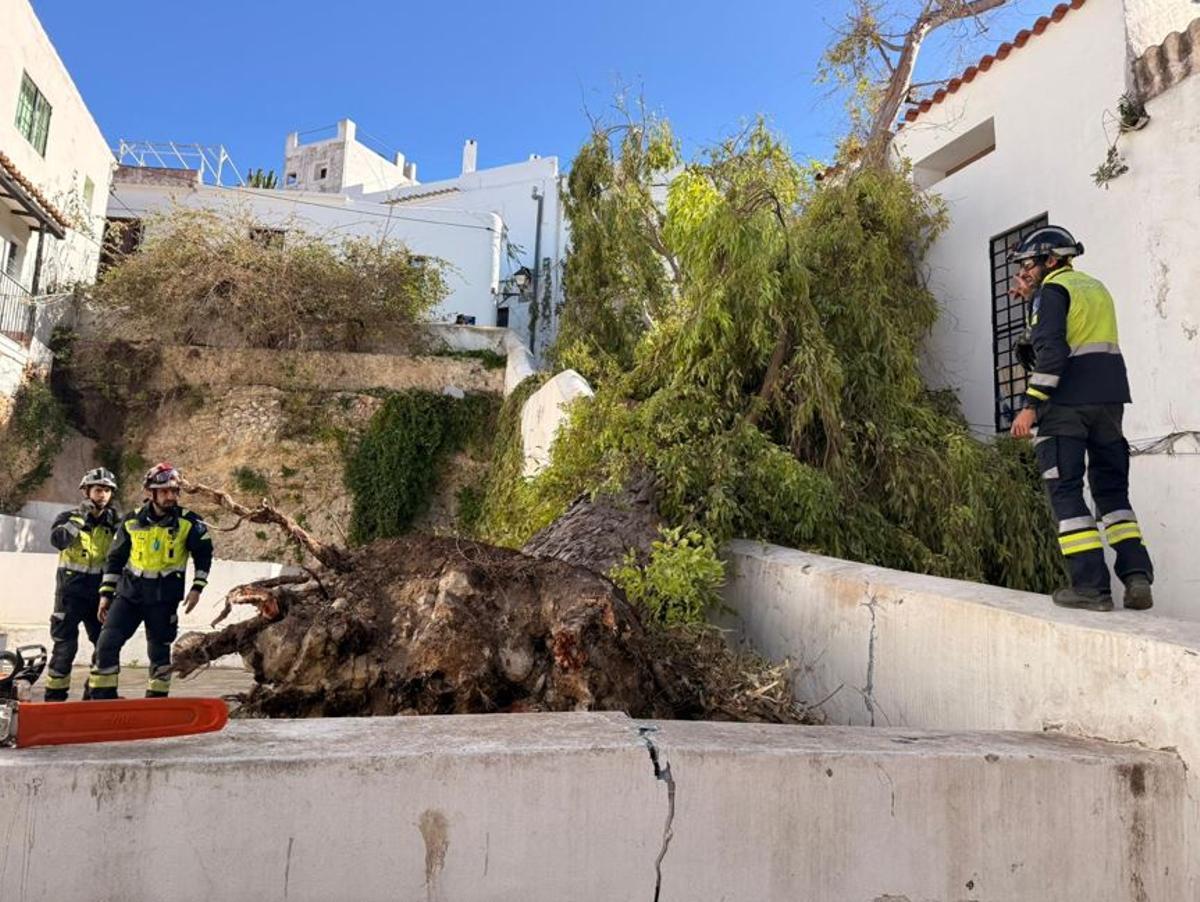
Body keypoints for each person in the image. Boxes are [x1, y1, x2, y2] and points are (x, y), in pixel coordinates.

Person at [1008, 225, 1153, 612]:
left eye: (1028, 264)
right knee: (1112, 495)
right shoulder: (1094, 286)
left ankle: (1091, 588)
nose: (1025, 272)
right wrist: (1032, 298)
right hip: (1109, 402)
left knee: (1066, 491)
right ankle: (1137, 577)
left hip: (1067, 407)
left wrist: (1029, 405)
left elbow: (1051, 351)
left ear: (1050, 259)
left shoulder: (1052, 292)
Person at [89, 463, 213, 699]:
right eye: (164, 491)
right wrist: (106, 595)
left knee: (159, 652)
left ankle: (156, 702)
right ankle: (102, 698)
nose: (170, 496)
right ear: (151, 493)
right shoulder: (131, 520)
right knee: (106, 644)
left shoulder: (190, 522)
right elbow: (115, 559)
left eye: (174, 491)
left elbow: (204, 556)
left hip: (163, 599)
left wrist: (197, 588)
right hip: (129, 595)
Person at [43, 468, 121, 701]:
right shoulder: (68, 518)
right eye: (98, 490)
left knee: (105, 646)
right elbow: (59, 541)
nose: (103, 495)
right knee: (65, 648)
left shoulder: (115, 523)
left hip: (101, 597)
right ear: (86, 492)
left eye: (107, 490)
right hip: (70, 595)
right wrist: (79, 517)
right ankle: (54, 699)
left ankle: (97, 696)